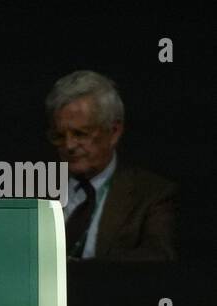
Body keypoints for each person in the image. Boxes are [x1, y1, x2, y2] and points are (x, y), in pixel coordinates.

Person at [45, 70, 178, 261]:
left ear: (114, 132)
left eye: (80, 134)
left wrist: (83, 272)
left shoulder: (152, 194)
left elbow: (157, 260)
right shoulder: (36, 190)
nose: (69, 146)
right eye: (59, 136)